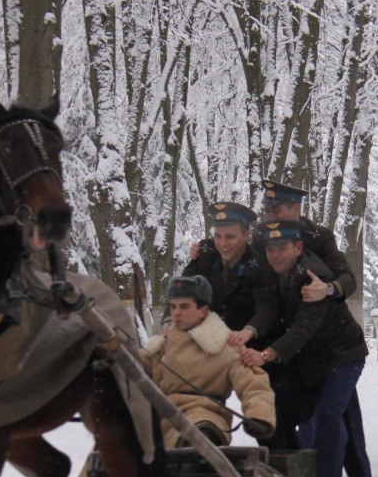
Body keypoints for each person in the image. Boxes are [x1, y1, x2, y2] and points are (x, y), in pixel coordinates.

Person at [241, 220, 371, 477]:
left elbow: (302, 328)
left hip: (342, 353)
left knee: (329, 411)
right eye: (271, 249)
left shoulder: (312, 277)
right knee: (289, 411)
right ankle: (299, 476)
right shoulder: (272, 269)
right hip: (311, 357)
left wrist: (267, 354)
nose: (275, 255)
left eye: (282, 248)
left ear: (298, 247)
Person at [139, 275, 275, 448]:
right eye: (173, 307)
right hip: (162, 417)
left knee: (196, 434)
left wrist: (258, 414)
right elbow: (133, 365)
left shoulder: (224, 345)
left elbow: (253, 383)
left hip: (206, 416)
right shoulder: (162, 344)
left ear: (203, 311)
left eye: (184, 306)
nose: (177, 313)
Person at [180, 201, 278, 346]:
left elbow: (267, 305)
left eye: (230, 237)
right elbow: (182, 290)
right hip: (205, 341)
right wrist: (169, 321)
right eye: (218, 236)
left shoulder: (259, 266)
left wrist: (249, 330)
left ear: (246, 236)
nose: (222, 243)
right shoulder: (206, 254)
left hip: (243, 346)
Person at [254, 179, 356, 303]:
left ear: (296, 208)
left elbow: (348, 279)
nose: (270, 218)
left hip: (316, 312)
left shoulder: (319, 237)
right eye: (267, 211)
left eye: (276, 211)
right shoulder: (260, 238)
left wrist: (327, 289)